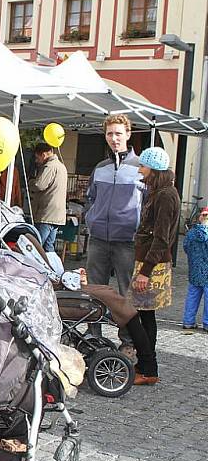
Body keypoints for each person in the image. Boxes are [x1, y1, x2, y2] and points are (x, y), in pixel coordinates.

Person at [84, 114, 142, 353]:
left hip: (126, 240)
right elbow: (91, 198)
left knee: (127, 291)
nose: (114, 138)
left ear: (128, 134)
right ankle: (93, 334)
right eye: (110, 134)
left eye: (119, 133)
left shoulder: (140, 167)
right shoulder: (100, 167)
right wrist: (91, 219)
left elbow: (148, 203)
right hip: (98, 238)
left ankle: (128, 341)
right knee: (94, 289)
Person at [130, 147, 179, 385]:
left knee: (144, 319)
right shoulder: (158, 192)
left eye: (143, 166)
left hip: (154, 265)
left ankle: (149, 369)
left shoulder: (165, 195)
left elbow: (162, 238)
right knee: (143, 317)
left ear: (154, 169)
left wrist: (145, 272)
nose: (140, 170)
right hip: (148, 261)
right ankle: (145, 364)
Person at [28, 143, 68, 253]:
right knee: (49, 247)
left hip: (46, 213)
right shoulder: (61, 166)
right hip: (57, 214)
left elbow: (39, 185)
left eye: (37, 157)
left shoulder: (49, 167)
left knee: (37, 246)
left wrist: (31, 182)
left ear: (44, 154)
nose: (36, 161)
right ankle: (53, 268)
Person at [182, 207, 208, 331]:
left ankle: (188, 321)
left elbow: (185, 247)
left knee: (192, 295)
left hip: (194, 270)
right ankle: (207, 323)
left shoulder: (191, 232)